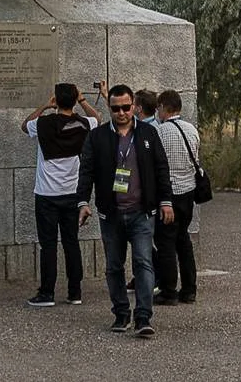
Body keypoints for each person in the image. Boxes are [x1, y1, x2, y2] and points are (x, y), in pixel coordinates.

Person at [77, 83, 173, 338]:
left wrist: (166, 201)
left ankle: (143, 317)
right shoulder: (97, 137)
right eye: (116, 108)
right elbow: (86, 171)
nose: (121, 113)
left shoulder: (148, 134)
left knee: (143, 263)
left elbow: (161, 168)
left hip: (141, 212)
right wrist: (83, 203)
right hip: (111, 214)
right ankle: (121, 313)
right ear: (109, 108)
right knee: (114, 266)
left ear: (134, 107)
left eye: (126, 107)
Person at [23, 82, 99, 308]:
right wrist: (83, 101)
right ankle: (75, 292)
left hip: (47, 194)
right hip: (73, 193)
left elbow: (25, 125)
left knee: (48, 245)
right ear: (75, 100)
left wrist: (45, 106)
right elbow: (99, 119)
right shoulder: (84, 123)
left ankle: (47, 293)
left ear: (56, 99)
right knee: (71, 243)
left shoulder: (44, 123)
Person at [151, 89, 200, 305]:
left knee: (165, 243)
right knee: (183, 240)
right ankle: (189, 289)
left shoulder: (161, 132)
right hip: (188, 193)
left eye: (158, 108)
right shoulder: (192, 130)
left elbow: (156, 164)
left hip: (169, 195)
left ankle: (168, 290)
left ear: (163, 107)